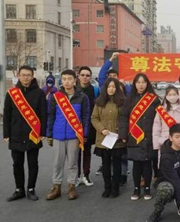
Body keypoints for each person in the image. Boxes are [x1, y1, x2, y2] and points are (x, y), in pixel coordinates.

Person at [46, 70, 90, 201]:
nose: (67, 82)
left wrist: (84, 134)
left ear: (75, 80)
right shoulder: (55, 97)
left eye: (69, 79)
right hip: (58, 134)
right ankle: (56, 187)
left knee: (72, 162)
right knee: (57, 163)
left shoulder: (82, 97)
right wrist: (49, 134)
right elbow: (51, 116)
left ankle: (71, 186)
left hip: (74, 135)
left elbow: (85, 117)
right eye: (64, 79)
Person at [3, 66, 46, 201]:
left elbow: (43, 114)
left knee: (33, 163)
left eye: (28, 75)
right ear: (18, 76)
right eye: (23, 75)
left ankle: (31, 189)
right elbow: (7, 114)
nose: (25, 77)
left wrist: (42, 132)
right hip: (16, 133)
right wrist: (6, 133)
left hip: (33, 133)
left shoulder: (39, 93)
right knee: (17, 163)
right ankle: (19, 189)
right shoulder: (12, 93)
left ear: (32, 76)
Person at [120, 73, 162, 201]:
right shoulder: (129, 99)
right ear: (134, 84)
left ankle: (147, 188)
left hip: (149, 135)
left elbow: (160, 117)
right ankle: (136, 188)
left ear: (147, 83)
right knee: (137, 164)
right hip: (134, 135)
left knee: (147, 163)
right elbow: (124, 117)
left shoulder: (154, 99)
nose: (141, 85)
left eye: (143, 82)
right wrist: (123, 134)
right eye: (138, 82)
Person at [146, 124, 180, 222]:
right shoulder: (166, 156)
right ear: (170, 138)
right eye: (177, 137)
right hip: (168, 181)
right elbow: (175, 180)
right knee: (165, 190)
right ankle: (156, 213)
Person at [91, 78, 126, 198]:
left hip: (117, 138)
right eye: (109, 87)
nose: (111, 89)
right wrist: (102, 129)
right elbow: (94, 118)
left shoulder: (122, 102)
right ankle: (107, 187)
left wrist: (121, 131)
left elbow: (125, 118)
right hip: (104, 138)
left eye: (114, 87)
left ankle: (115, 188)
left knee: (117, 164)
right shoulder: (99, 102)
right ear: (105, 88)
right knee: (105, 164)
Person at [77, 66, 99, 187]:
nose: (85, 77)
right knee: (75, 153)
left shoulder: (95, 90)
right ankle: (76, 176)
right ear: (78, 76)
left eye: (87, 75)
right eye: (83, 75)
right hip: (74, 125)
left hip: (89, 125)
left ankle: (86, 175)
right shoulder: (73, 90)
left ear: (90, 77)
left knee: (86, 151)